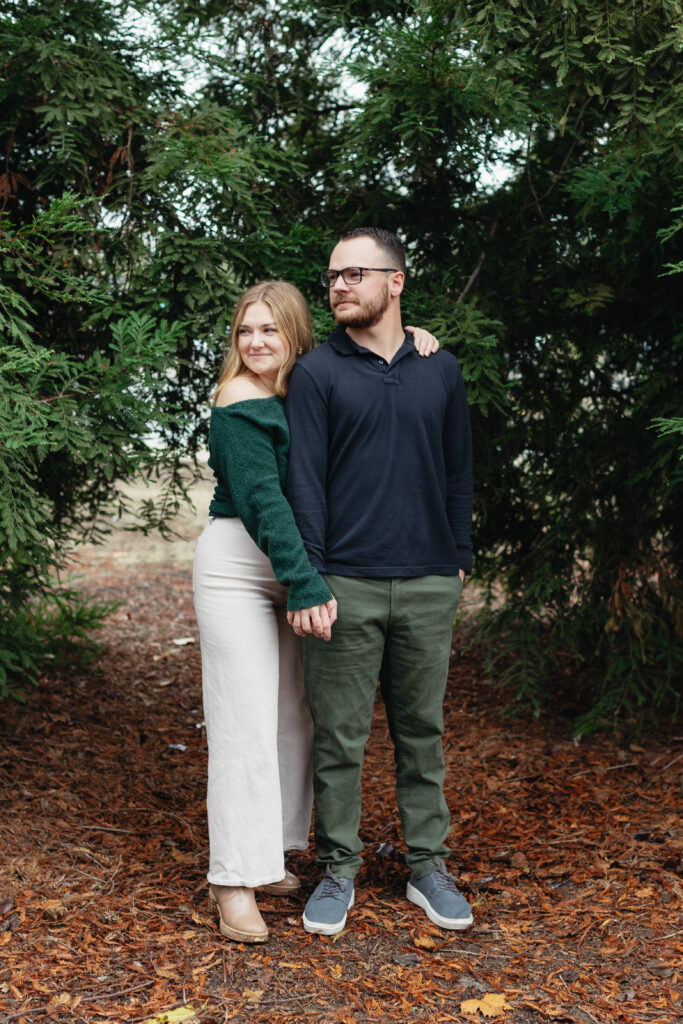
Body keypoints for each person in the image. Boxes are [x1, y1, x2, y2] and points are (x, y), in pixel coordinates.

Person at [193, 279, 440, 944]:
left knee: (293, 718)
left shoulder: (308, 384)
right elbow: (266, 505)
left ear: (295, 334)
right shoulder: (240, 399)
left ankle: (268, 852)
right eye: (244, 331)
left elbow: (371, 364)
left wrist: (414, 344)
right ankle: (231, 881)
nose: (254, 343)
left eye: (269, 330)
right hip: (242, 568)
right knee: (242, 723)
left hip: (296, 568)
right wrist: (304, 583)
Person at [285, 228, 474, 937]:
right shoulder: (316, 374)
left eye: (354, 273)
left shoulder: (439, 369)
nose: (337, 286)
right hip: (344, 584)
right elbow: (303, 481)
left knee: (421, 734)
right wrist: (311, 579)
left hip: (429, 582)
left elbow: (458, 470)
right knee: (338, 740)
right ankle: (338, 869)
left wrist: (456, 556)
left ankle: (428, 867)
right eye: (330, 275)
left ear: (395, 281)